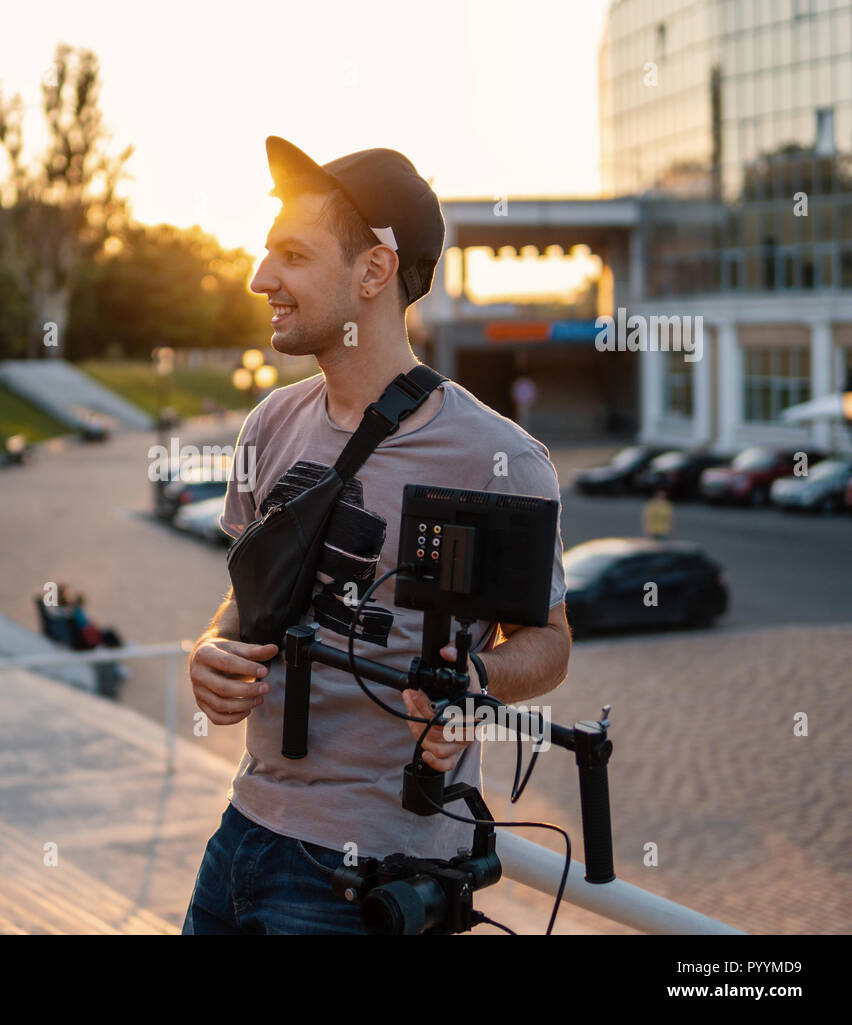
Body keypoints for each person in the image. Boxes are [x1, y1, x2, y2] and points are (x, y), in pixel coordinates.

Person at [182, 137, 572, 935]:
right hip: (242, 833)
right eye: (266, 253)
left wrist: (475, 680)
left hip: (371, 874)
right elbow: (242, 598)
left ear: (374, 272)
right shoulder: (270, 423)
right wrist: (211, 651)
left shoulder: (497, 459)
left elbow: (549, 644)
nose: (262, 279)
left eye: (292, 254)